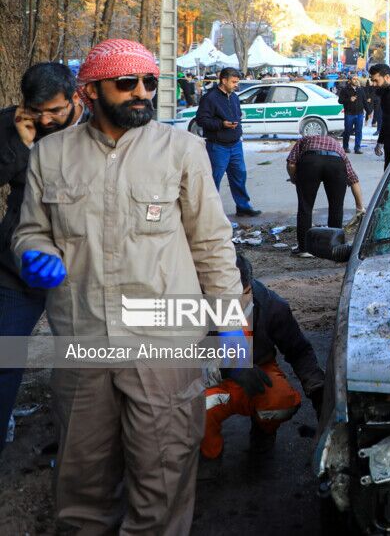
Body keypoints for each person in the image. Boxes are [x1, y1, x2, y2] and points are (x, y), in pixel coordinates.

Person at [15, 38, 243, 531]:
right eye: (127, 83)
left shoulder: (181, 149)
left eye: (149, 83)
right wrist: (35, 252)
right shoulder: (50, 155)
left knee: (161, 481)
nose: (141, 92)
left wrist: (230, 323)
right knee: (80, 488)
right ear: (90, 91)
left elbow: (211, 242)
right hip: (83, 340)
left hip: (165, 344)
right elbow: (31, 227)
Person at [0, 63, 83, 457]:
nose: (46, 119)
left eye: (55, 110)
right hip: (19, 264)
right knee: (5, 355)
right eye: (38, 110)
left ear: (74, 98)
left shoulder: (100, 128)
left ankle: (77, 446)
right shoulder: (11, 124)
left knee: (85, 364)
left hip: (82, 269)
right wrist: (21, 143)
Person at [202, 255, 325, 459]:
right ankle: (209, 453)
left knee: (280, 402)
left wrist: (318, 390)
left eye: (244, 295)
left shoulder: (271, 305)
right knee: (192, 409)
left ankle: (263, 429)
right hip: (210, 376)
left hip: (258, 371)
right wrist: (230, 368)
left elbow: (299, 350)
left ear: (250, 286)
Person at [196, 66, 261, 217]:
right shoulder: (210, 98)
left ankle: (243, 206)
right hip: (218, 146)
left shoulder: (234, 97)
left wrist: (238, 129)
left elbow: (237, 115)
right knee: (214, 178)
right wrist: (221, 124)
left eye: (237, 82)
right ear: (223, 80)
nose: (236, 85)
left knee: (240, 175)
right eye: (233, 82)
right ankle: (211, 211)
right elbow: (201, 120)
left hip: (235, 143)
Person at [287, 132, 365, 258]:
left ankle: (304, 249)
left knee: (305, 207)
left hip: (310, 162)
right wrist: (360, 207)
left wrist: (294, 178)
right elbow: (353, 178)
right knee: (336, 207)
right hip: (336, 163)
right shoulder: (337, 146)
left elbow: (291, 163)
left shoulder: (304, 140)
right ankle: (334, 248)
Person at [337, 75, 365, 154]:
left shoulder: (360, 89)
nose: (355, 80)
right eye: (354, 79)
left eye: (357, 79)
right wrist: (349, 99)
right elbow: (340, 101)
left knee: (358, 131)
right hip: (349, 114)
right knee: (347, 131)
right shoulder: (345, 89)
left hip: (359, 113)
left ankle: (357, 148)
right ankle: (345, 147)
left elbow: (364, 101)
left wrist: (369, 111)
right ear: (350, 80)